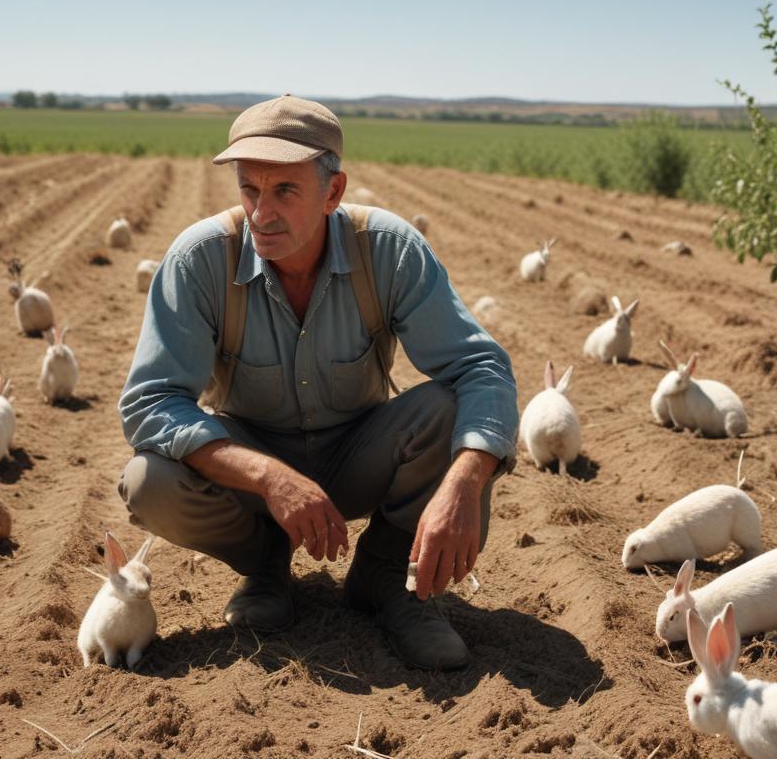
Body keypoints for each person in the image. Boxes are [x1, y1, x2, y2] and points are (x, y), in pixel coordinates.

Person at [116, 94, 518, 670]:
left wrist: (465, 483)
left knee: (458, 410)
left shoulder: (389, 250)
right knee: (149, 478)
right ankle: (266, 566)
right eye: (249, 189)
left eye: (284, 191)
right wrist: (268, 477)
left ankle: (389, 577)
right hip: (253, 465)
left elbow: (482, 368)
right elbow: (150, 402)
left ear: (333, 192)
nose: (261, 212)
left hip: (359, 454)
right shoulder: (200, 260)